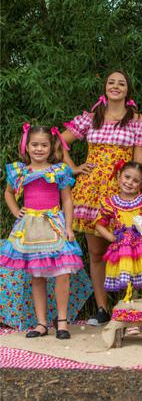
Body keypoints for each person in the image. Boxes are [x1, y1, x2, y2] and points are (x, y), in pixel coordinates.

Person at [62, 70, 142, 326]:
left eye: (121, 83)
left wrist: (134, 193)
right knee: (96, 251)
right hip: (90, 191)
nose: (115, 86)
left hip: (122, 189)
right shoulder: (91, 118)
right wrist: (73, 167)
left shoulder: (137, 120)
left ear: (128, 90)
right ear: (104, 88)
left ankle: (129, 306)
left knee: (129, 247)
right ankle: (102, 309)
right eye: (111, 82)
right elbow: (58, 141)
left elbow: (138, 161)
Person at [0, 124, 84, 339]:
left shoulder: (59, 170)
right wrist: (16, 211)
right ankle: (41, 323)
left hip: (54, 224)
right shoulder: (20, 170)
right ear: (26, 147)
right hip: (30, 228)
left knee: (63, 273)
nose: (39, 149)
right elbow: (9, 193)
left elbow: (67, 199)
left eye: (43, 145)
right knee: (37, 277)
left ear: (51, 147)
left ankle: (62, 322)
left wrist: (68, 227)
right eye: (34, 145)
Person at [94, 160, 142, 297]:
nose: (130, 183)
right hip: (123, 248)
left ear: (141, 185)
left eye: (135, 181)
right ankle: (130, 306)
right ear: (119, 177)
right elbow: (99, 224)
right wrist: (110, 237)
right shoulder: (110, 203)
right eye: (127, 177)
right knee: (127, 277)